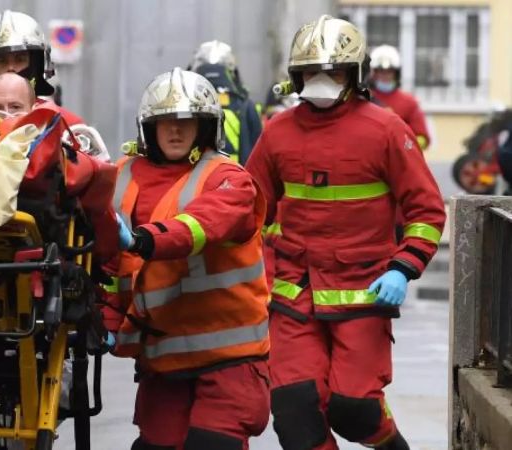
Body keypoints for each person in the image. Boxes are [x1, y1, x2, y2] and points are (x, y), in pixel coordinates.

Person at [244, 16, 446, 450]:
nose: (320, 81)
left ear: (355, 74)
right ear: (295, 77)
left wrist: (403, 267)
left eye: (332, 71)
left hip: (365, 291)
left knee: (355, 410)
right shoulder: (276, 133)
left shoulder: (386, 129)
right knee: (295, 412)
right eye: (310, 71)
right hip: (294, 294)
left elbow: (426, 209)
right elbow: (249, 210)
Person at [104, 67, 271, 449]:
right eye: (165, 122)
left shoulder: (229, 178)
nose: (175, 131)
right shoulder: (121, 175)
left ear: (205, 127)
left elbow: (205, 224)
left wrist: (144, 239)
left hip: (229, 358)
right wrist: (106, 321)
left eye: (186, 121)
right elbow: (111, 267)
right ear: (149, 127)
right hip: (163, 361)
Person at [0, 10, 84, 125]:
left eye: (20, 60)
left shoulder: (66, 124)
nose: (11, 68)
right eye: (2, 61)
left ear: (35, 65)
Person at [188, 40, 264, 164]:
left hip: (195, 180)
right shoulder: (246, 105)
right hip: (237, 179)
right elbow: (260, 153)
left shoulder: (185, 105)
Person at [369, 45, 431, 150]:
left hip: (399, 159)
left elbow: (422, 138)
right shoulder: (364, 99)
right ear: (374, 74)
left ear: (396, 74)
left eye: (389, 71)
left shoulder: (409, 102)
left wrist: (402, 145)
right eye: (381, 71)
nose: (385, 75)